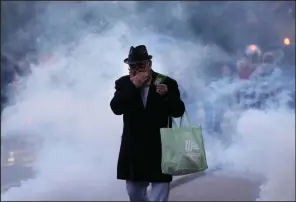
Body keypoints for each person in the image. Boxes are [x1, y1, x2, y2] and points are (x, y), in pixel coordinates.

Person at [110, 45, 185, 201]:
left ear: (149, 64)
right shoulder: (124, 83)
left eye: (140, 65)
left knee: (160, 194)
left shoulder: (165, 82)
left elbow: (178, 111)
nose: (136, 69)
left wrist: (166, 96)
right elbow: (116, 107)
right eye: (132, 66)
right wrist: (133, 86)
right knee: (133, 192)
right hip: (134, 147)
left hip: (160, 147)